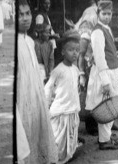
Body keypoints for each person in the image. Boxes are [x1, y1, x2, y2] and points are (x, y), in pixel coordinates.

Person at [16, 0, 58, 163]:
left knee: (37, 135)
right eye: (20, 14)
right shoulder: (16, 43)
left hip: (35, 99)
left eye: (27, 13)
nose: (25, 18)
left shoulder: (30, 42)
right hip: (21, 101)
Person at [85, 0, 118, 150]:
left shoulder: (106, 28)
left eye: (109, 14)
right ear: (98, 14)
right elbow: (100, 58)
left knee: (110, 104)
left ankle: (106, 136)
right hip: (104, 73)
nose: (107, 17)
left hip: (111, 71)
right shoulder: (97, 32)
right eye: (104, 14)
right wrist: (105, 81)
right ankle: (104, 141)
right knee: (105, 106)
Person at [44, 30, 84, 163]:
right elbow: (48, 88)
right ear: (62, 52)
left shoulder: (75, 70)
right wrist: (46, 104)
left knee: (70, 139)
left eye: (77, 50)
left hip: (72, 109)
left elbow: (75, 89)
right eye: (71, 50)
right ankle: (55, 159)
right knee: (58, 139)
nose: (75, 53)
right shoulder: (58, 70)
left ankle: (66, 157)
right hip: (61, 110)